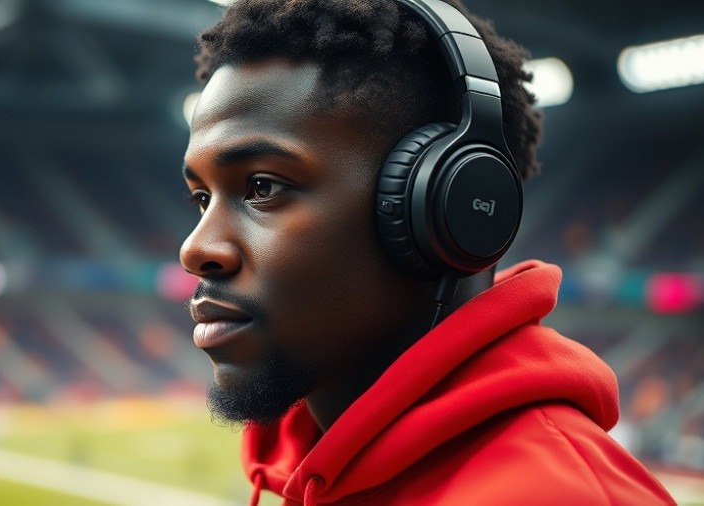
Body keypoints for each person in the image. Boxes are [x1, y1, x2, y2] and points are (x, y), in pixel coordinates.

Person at [179, 0, 676, 504]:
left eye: (262, 187)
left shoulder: (556, 495)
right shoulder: (302, 464)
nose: (195, 248)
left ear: (444, 208)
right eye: (202, 198)